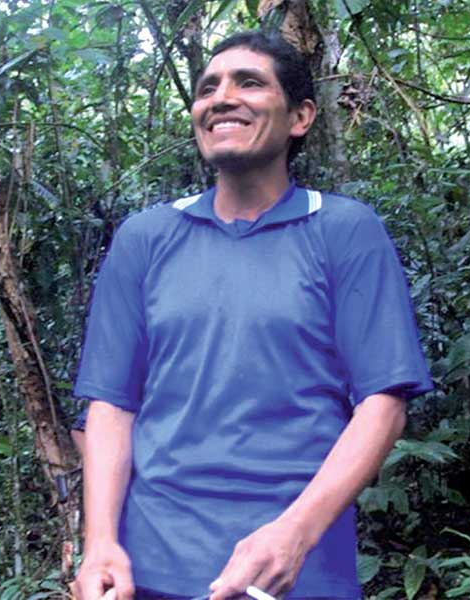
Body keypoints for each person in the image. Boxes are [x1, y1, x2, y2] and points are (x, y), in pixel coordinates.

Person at [71, 31, 432, 600]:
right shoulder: (145, 237)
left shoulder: (344, 230)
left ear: (300, 117)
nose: (221, 98)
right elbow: (112, 406)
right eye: (207, 87)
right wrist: (100, 544)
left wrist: (295, 534)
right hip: (151, 567)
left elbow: (383, 404)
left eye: (249, 83)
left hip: (297, 571)